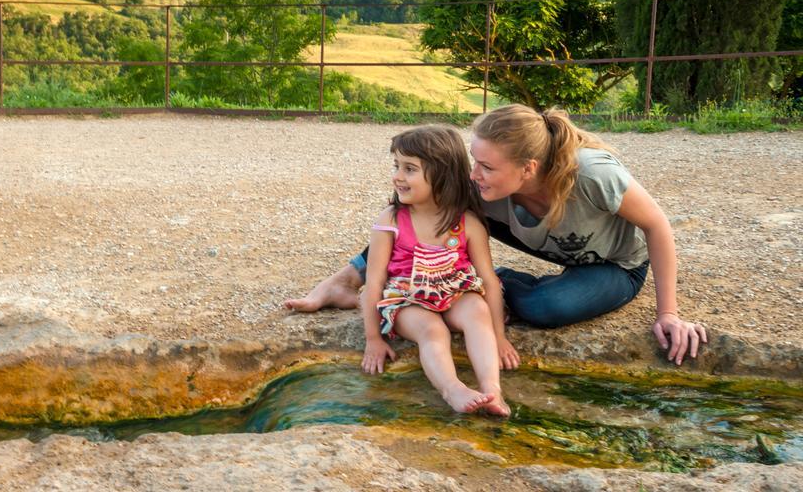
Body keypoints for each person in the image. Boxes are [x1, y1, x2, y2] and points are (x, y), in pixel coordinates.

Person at [286, 105, 707, 368]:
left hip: (614, 266)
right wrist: (356, 273)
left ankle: (473, 280)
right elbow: (414, 218)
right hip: (552, 247)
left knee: (547, 306)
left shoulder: (593, 174)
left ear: (528, 167)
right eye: (475, 161)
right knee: (439, 208)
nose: (474, 174)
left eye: (486, 166)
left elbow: (657, 226)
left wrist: (667, 313)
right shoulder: (486, 187)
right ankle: (347, 281)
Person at [358, 125, 510, 416]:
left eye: (410, 169)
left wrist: (499, 335)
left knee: (477, 310)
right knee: (433, 329)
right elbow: (373, 281)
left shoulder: (467, 223)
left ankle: (492, 390)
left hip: (454, 292)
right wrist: (373, 338)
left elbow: (490, 281)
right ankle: (453, 390)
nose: (398, 176)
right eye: (397, 166)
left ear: (442, 175)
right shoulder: (391, 219)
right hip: (406, 299)